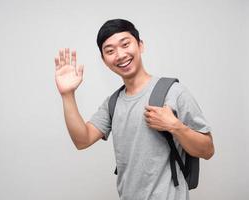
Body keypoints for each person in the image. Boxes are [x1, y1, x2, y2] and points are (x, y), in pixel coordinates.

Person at [54, 19, 214, 200]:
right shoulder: (112, 103)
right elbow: (82, 140)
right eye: (110, 51)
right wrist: (67, 95)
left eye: (125, 44)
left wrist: (176, 127)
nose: (120, 55)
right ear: (104, 60)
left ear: (140, 46)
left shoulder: (173, 92)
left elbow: (207, 150)